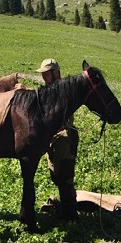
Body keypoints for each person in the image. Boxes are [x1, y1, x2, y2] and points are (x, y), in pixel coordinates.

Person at [38, 58, 80, 220]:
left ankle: (70, 213)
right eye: (42, 74)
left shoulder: (62, 90)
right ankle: (68, 207)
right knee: (56, 175)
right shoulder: (52, 88)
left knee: (65, 176)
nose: (43, 77)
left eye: (46, 74)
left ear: (55, 73)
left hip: (65, 138)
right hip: (54, 139)